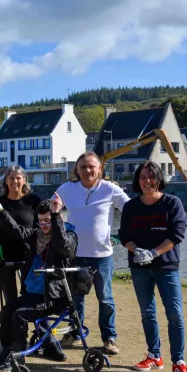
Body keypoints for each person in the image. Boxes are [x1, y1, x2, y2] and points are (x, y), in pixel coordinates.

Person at [0, 193, 85, 372]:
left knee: (19, 315)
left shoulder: (69, 236)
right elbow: (17, 230)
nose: (44, 225)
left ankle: (18, 358)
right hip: (33, 293)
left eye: (48, 220)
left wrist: (55, 216)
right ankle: (6, 350)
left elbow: (63, 246)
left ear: (57, 218)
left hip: (54, 297)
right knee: (7, 311)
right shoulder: (36, 235)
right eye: (41, 221)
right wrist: (0, 211)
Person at [118, 161, 187, 372]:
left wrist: (154, 252)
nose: (147, 181)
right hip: (139, 268)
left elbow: (177, 234)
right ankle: (154, 356)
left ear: (159, 179)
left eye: (151, 176)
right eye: (142, 177)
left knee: (175, 313)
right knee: (147, 312)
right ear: (137, 181)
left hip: (166, 267)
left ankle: (179, 362)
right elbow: (124, 236)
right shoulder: (131, 206)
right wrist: (136, 250)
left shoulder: (172, 203)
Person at [55, 152, 129, 355]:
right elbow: (50, 210)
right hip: (75, 255)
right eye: (83, 167)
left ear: (99, 169)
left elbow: (131, 210)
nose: (87, 171)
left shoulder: (110, 189)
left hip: (102, 256)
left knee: (105, 298)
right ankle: (74, 333)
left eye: (91, 167)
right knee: (75, 298)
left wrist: (123, 235)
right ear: (76, 170)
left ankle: (109, 338)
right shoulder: (66, 189)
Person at [0, 166, 41, 303]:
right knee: (10, 299)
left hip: (28, 256)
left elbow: (41, 229)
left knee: (29, 296)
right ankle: (12, 324)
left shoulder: (33, 201)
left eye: (18, 178)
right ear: (5, 181)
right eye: (11, 178)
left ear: (24, 180)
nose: (14, 181)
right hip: (4, 257)